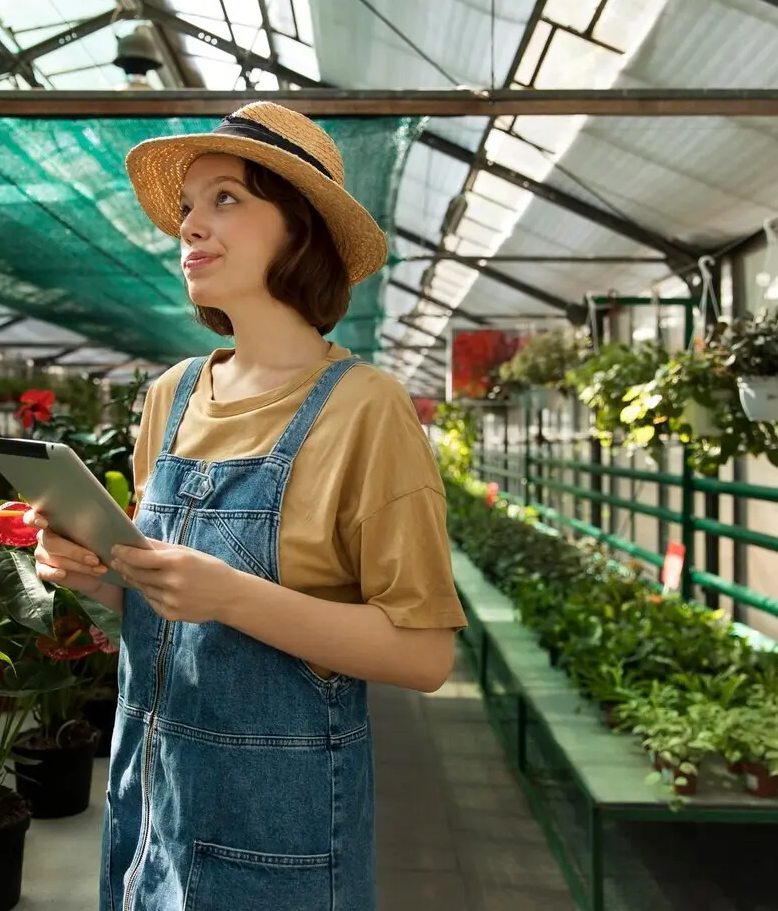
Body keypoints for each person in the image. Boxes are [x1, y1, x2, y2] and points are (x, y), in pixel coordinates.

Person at [26, 102, 467, 911]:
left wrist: (231, 595)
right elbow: (162, 610)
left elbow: (424, 654)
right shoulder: (172, 395)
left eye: (225, 198)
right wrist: (95, 577)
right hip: (148, 812)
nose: (190, 225)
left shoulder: (365, 408)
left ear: (301, 232)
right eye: (188, 205)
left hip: (277, 839)